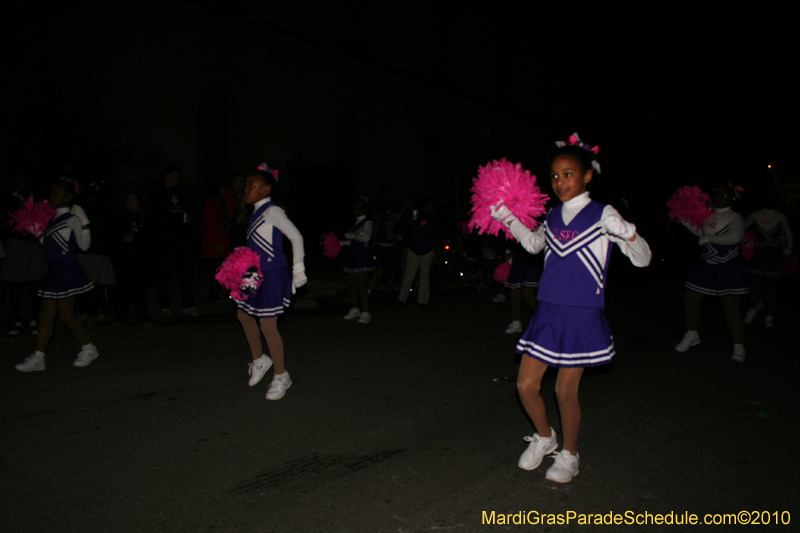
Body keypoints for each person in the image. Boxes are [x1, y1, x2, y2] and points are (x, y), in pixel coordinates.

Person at [490, 136, 651, 483]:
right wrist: (508, 218)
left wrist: (627, 233)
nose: (560, 182)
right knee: (525, 385)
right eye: (554, 176)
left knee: (565, 391)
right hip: (547, 312)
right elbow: (534, 245)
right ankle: (545, 437)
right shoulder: (552, 214)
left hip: (581, 313)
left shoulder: (603, 213)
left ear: (587, 176)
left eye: (568, 174)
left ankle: (570, 454)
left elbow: (643, 260)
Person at [235, 165, 305, 400]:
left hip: (272, 274)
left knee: (268, 326)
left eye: (251, 186)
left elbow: (296, 236)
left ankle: (281, 374)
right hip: (256, 273)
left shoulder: (272, 211)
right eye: (246, 186)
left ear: (266, 189)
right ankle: (260, 359)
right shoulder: (257, 211)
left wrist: (298, 270)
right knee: (243, 315)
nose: (246, 190)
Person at [15, 180, 99, 371]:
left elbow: (84, 246)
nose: (50, 197)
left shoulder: (72, 218)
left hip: (67, 270)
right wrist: (37, 233)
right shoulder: (53, 219)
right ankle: (39, 358)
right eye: (51, 193)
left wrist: (85, 223)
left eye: (55, 193)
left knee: (66, 315)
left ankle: (89, 348)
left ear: (67, 197)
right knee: (46, 315)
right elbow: (51, 246)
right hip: (53, 271)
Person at [675, 184, 749, 362]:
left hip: (727, 266)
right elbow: (701, 232)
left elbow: (735, 237)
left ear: (732, 198)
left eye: (724, 194)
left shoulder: (735, 217)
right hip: (707, 266)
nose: (719, 197)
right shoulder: (708, 216)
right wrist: (685, 221)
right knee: (690, 298)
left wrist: (709, 238)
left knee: (730, 306)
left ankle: (739, 346)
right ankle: (692, 334)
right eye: (717, 194)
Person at [148, 163, 198, 316]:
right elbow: (152, 216)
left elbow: (189, 208)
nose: (178, 178)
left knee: (185, 272)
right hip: (164, 239)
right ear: (167, 176)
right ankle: (164, 305)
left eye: (178, 175)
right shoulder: (156, 192)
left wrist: (189, 217)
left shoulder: (183, 191)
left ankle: (188, 304)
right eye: (175, 175)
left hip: (182, 237)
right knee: (164, 273)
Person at [1, 173, 45, 335]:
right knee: (16, 285)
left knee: (35, 284)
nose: (18, 182)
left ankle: (34, 321)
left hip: (34, 244)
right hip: (16, 244)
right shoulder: (9, 200)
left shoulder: (37, 200)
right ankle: (17, 322)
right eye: (16, 179)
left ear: (29, 181)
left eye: (21, 179)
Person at [742, 192, 793, 327]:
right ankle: (753, 308)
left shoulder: (780, 216)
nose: (770, 202)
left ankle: (769, 314)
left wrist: (789, 247)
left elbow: (788, 234)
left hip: (774, 254)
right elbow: (741, 228)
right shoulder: (755, 215)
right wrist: (745, 242)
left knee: (772, 285)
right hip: (759, 253)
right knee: (755, 282)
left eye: (773, 200)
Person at [111, 192, 152, 326]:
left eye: (133, 200)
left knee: (139, 289)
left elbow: (151, 236)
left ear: (139, 202)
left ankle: (143, 319)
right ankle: (119, 319)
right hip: (124, 257)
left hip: (140, 257)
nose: (130, 203)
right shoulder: (120, 217)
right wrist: (122, 238)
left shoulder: (145, 217)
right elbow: (113, 235)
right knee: (122, 289)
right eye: (128, 200)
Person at [396, 197, 440, 307]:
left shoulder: (431, 217)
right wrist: (410, 221)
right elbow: (405, 230)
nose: (430, 207)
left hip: (427, 249)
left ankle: (423, 300)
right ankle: (401, 299)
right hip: (414, 248)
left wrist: (434, 244)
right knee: (409, 274)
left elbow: (435, 232)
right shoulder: (412, 215)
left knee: (424, 275)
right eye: (429, 205)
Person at [341, 198, 374, 323]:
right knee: (350, 283)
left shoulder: (368, 222)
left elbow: (366, 238)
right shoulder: (354, 223)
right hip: (354, 255)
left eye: (358, 207)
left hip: (364, 256)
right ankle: (355, 309)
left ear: (365, 209)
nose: (355, 209)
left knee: (361, 284)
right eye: (354, 207)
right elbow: (354, 241)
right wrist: (341, 243)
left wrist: (352, 236)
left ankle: (366, 313)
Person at [503, 243, 541, 334]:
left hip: (531, 259)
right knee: (514, 292)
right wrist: (508, 251)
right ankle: (516, 323)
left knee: (527, 293)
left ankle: (545, 320)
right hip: (517, 259)